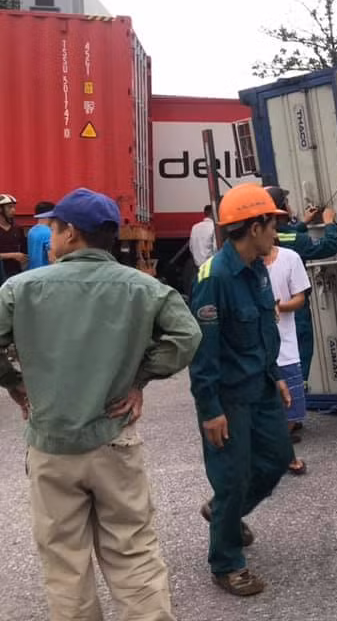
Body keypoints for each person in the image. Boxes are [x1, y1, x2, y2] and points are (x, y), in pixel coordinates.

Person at [0, 187, 201, 620]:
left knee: (65, 563)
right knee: (133, 552)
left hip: (52, 444)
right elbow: (187, 337)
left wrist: (15, 383)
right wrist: (139, 379)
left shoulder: (20, 289)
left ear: (71, 233)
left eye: (52, 228)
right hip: (115, 438)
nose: (48, 237)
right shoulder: (144, 288)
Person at [188, 184, 295, 597]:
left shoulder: (258, 269)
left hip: (262, 387)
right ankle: (226, 562)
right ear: (254, 227)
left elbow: (263, 330)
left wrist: (276, 375)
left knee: (277, 459)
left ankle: (223, 515)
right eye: (273, 224)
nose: (277, 232)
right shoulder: (213, 278)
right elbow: (203, 352)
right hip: (229, 398)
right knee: (232, 479)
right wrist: (210, 408)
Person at [266, 187, 337, 392]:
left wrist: (303, 223)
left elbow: (287, 235)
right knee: (299, 355)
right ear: (281, 210)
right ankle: (295, 406)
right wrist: (329, 223)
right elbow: (328, 246)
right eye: (287, 203)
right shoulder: (294, 241)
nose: (290, 207)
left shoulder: (267, 238)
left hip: (271, 309)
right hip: (294, 311)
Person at [264, 235, 311, 475]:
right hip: (257, 350)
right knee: (264, 407)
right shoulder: (242, 264)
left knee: (292, 409)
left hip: (286, 345)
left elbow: (300, 299)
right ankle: (284, 457)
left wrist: (279, 306)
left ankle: (279, 453)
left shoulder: (290, 258)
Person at [0, 193, 27, 280]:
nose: (13, 210)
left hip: (15, 273)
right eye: (9, 207)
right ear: (0, 209)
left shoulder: (17, 228)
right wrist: (13, 255)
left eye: (14, 207)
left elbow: (24, 250)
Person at [26, 201, 55, 269]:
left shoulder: (31, 231)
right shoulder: (49, 232)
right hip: (45, 273)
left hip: (32, 272)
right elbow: (52, 259)